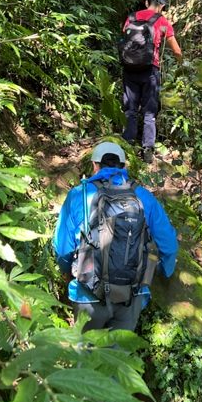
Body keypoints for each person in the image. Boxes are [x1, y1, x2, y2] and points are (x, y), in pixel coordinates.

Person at [53, 141, 178, 333]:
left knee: (85, 358)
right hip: (132, 294)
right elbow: (168, 244)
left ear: (95, 165)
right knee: (116, 359)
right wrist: (164, 272)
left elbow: (63, 248)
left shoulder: (80, 194)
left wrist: (66, 271)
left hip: (88, 294)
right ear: (123, 167)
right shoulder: (142, 196)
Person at [121, 0, 182, 163]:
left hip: (129, 68)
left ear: (147, 3)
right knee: (149, 111)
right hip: (150, 70)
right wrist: (181, 65)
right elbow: (176, 50)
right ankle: (147, 150)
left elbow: (126, 38)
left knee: (130, 109)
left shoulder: (131, 18)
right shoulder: (162, 21)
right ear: (162, 6)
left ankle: (128, 146)